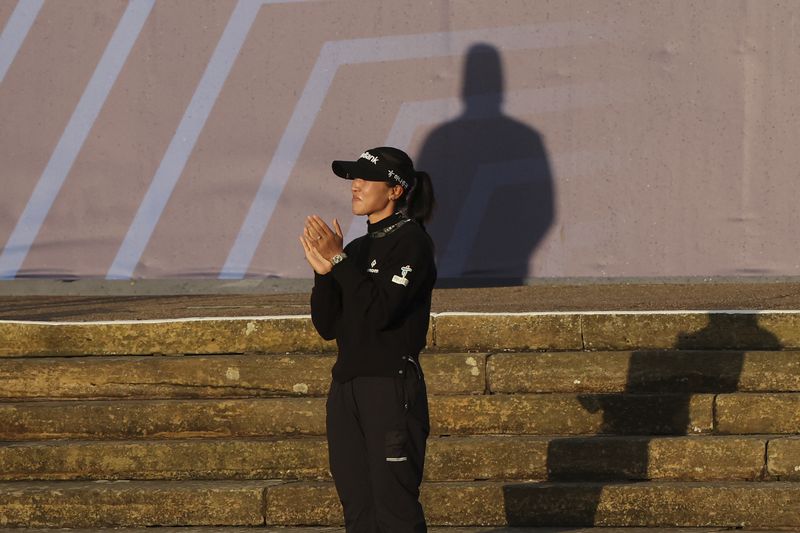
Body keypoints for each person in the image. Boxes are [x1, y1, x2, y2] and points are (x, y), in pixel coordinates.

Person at [299, 146, 436, 533]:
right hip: (346, 387)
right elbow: (327, 326)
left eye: (364, 178)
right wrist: (325, 273)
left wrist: (340, 263)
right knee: (357, 507)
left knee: (394, 505)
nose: (355, 186)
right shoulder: (355, 250)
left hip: (390, 387)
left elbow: (381, 312)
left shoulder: (412, 242)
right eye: (352, 178)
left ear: (395, 190)